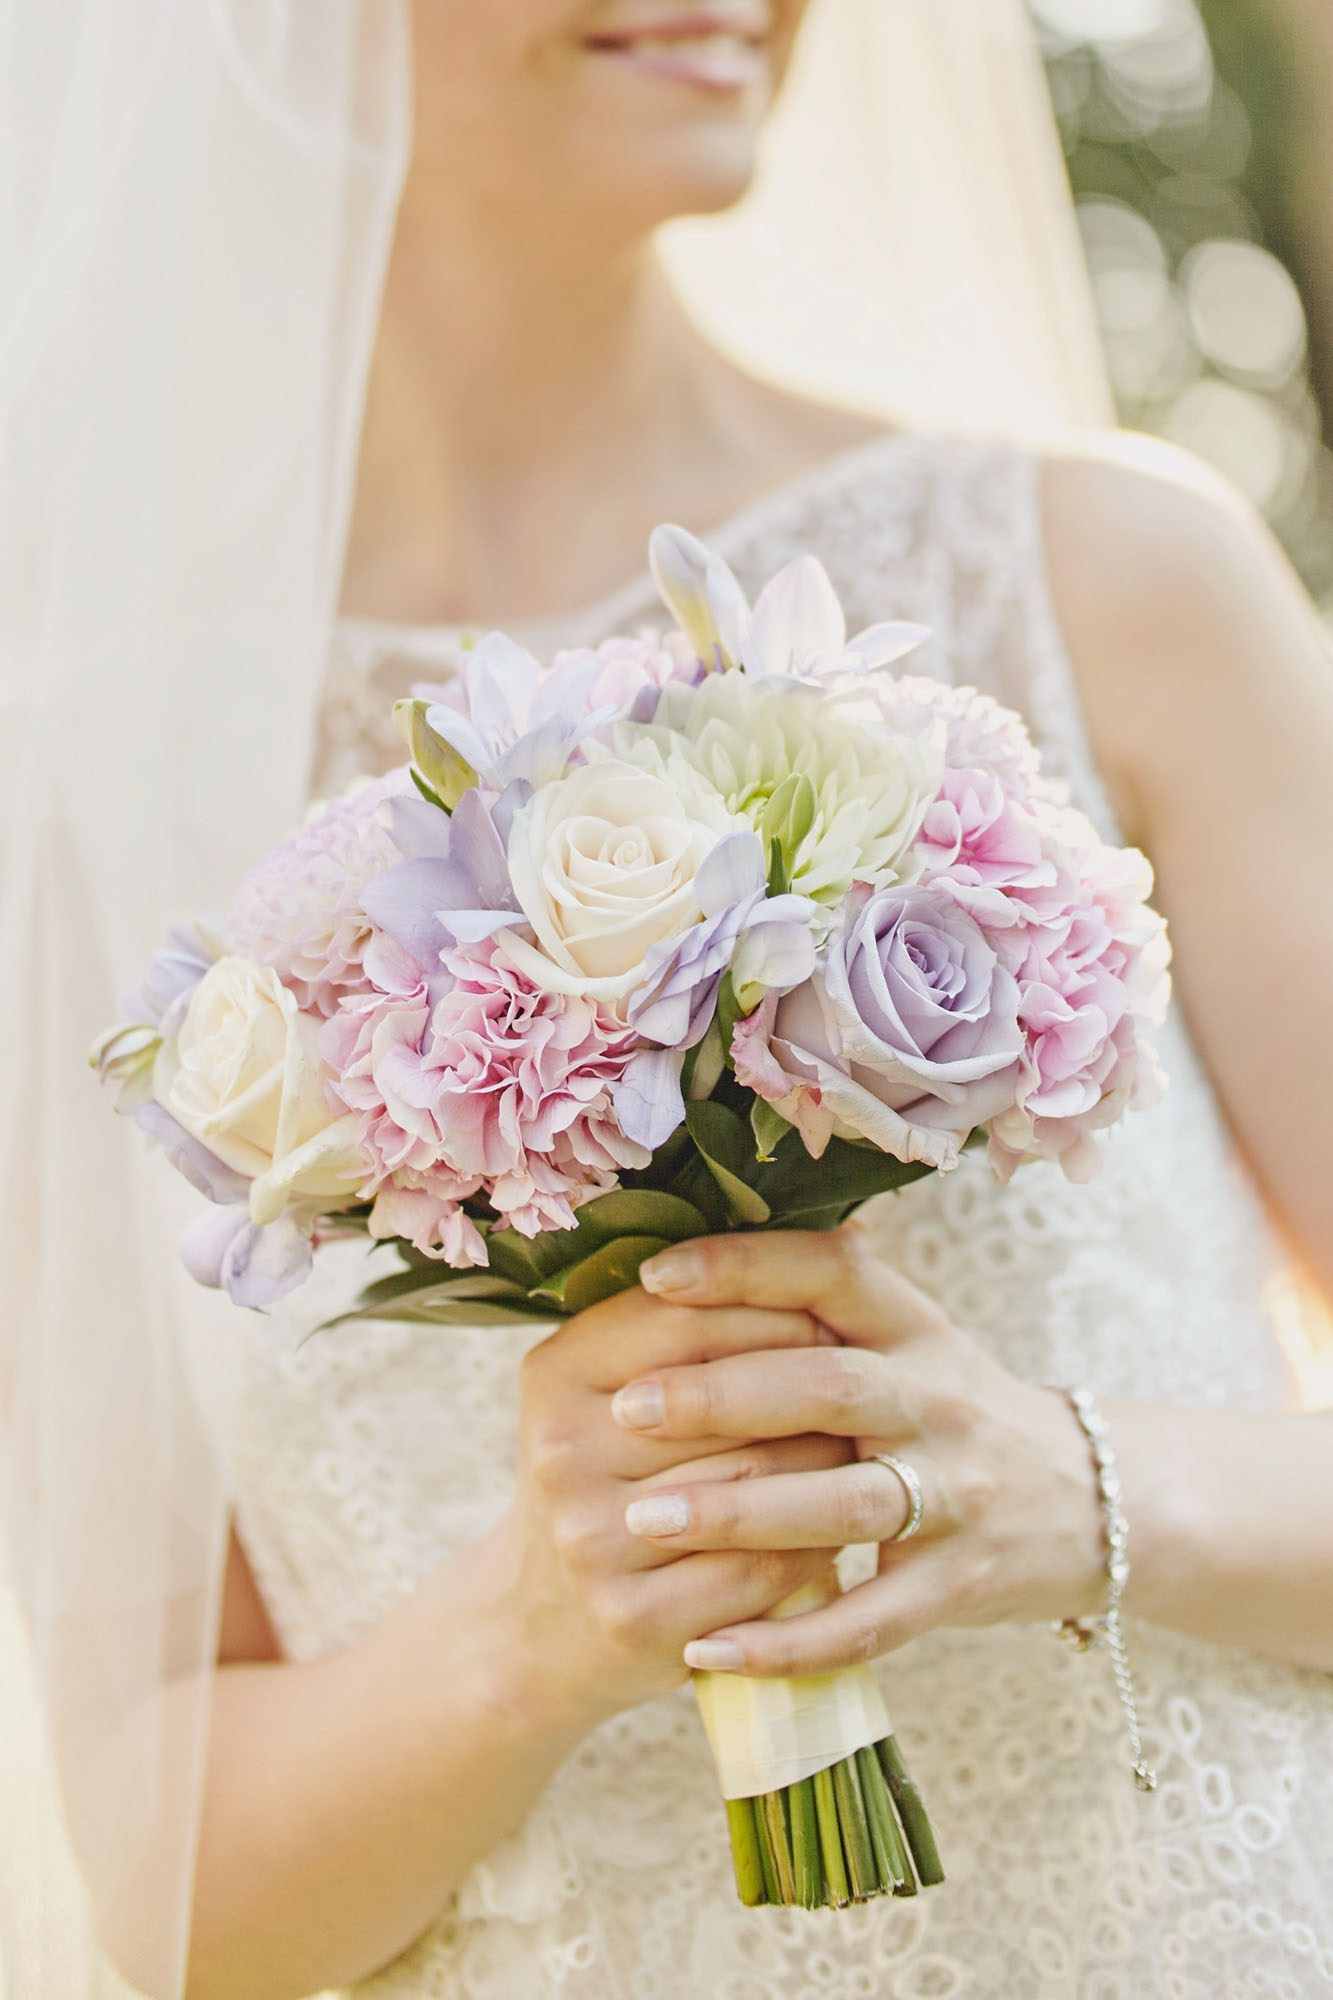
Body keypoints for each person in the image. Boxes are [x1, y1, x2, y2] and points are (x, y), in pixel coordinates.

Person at [3, 4, 1332, 1999]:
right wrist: (534, 1629)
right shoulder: (77, 804)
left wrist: (1067, 1480)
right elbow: (170, 1899)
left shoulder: (1111, 576)